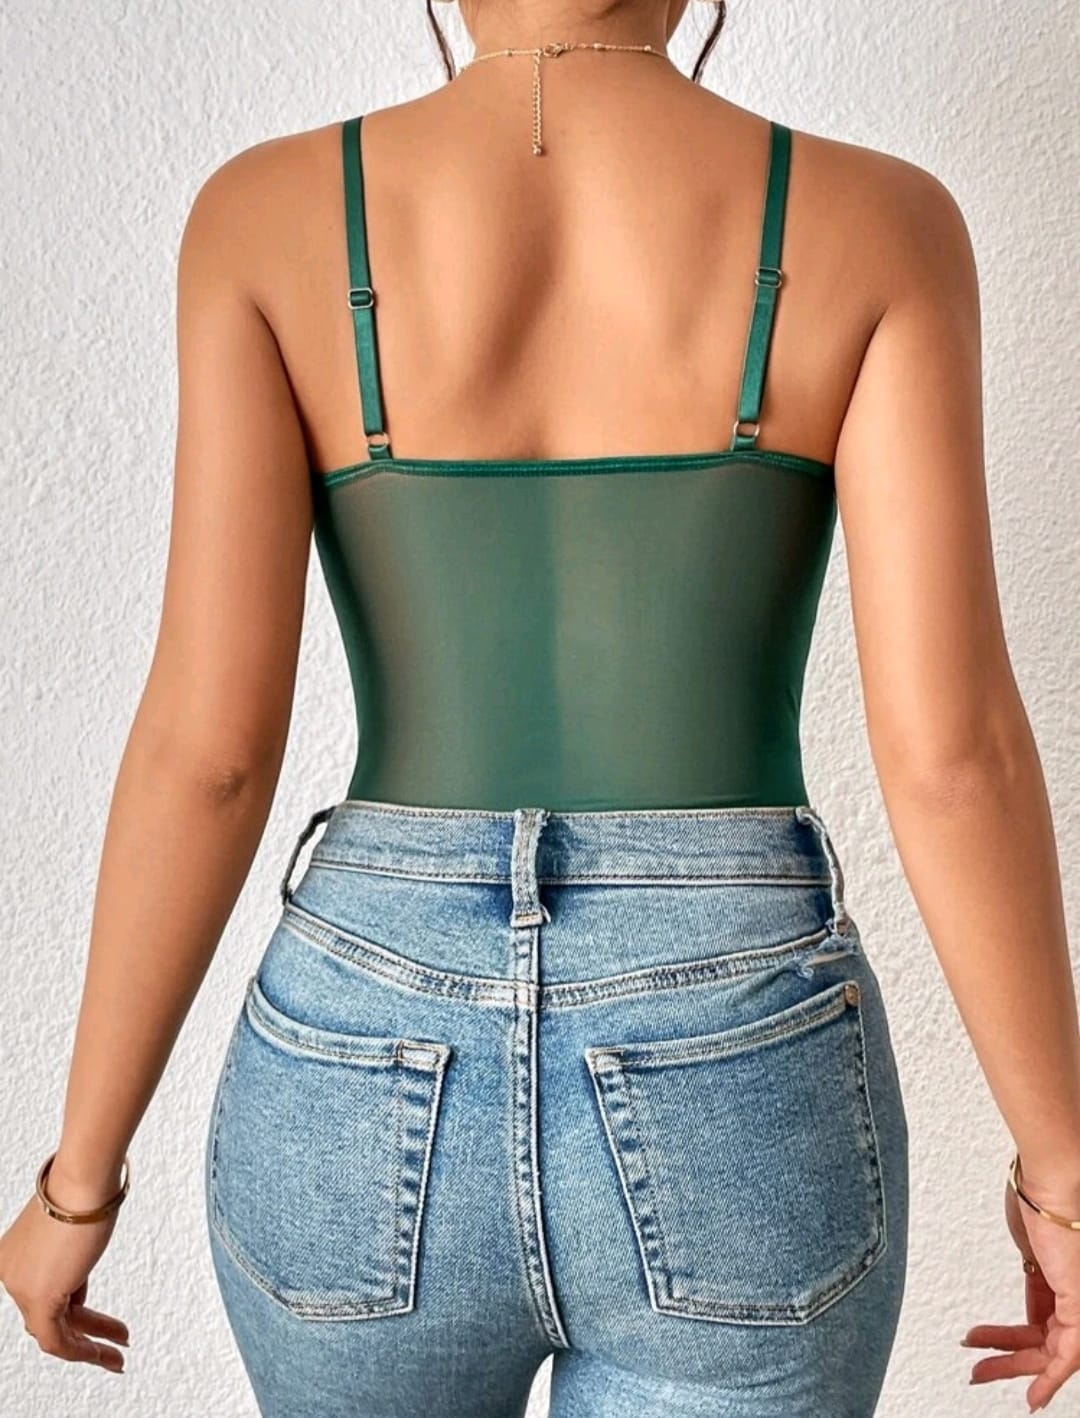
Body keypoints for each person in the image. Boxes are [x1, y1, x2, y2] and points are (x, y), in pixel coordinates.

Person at [2, 1, 1078, 1414]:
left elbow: (208, 756)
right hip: (734, 1036)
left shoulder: (262, 217)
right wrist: (1064, 1178)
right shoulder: (881, 222)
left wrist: (78, 1181)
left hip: (362, 1036)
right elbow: (952, 759)